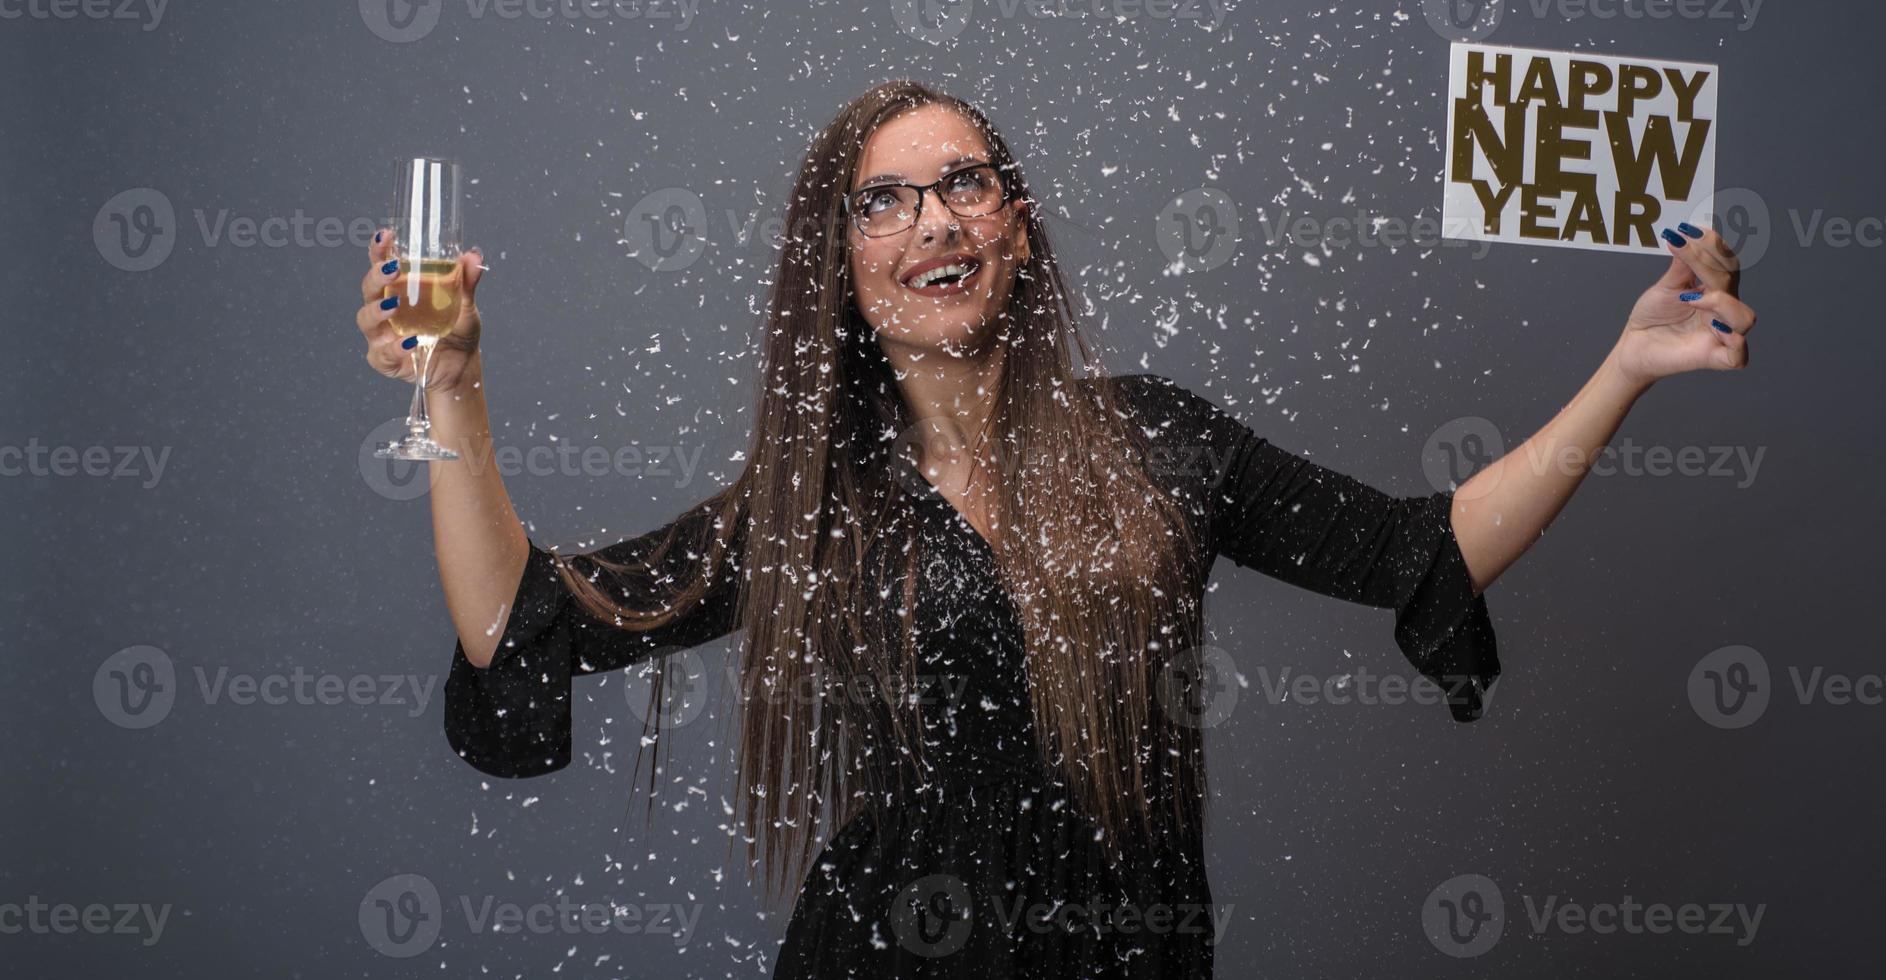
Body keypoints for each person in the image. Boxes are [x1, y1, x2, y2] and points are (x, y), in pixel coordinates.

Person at [353, 80, 1758, 977]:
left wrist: (1626, 366)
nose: (931, 219)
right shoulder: (809, 507)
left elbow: (1428, 547)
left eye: (964, 181)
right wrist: (457, 386)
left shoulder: (1158, 442)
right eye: (883, 200)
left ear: (1014, 228)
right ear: (842, 268)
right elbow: (516, 621)